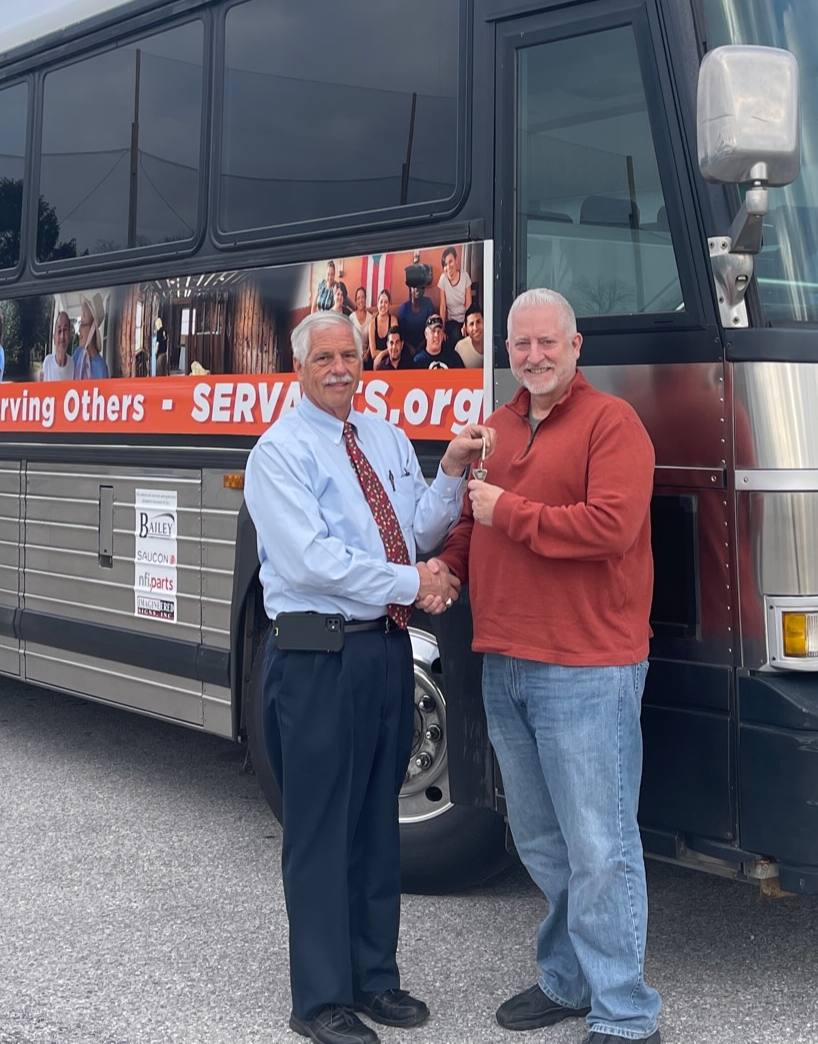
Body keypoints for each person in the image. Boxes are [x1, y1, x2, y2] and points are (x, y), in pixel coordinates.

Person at [245, 310, 485, 1044]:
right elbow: (309, 561)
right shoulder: (277, 454)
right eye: (324, 357)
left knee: (377, 824)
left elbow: (413, 526)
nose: (340, 367)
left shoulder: (379, 437)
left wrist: (445, 476)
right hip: (316, 656)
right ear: (300, 367)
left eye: (349, 354)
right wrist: (415, 581)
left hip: (383, 652)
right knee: (319, 830)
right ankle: (319, 1000)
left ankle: (374, 978)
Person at [438, 289, 662, 1044]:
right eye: (520, 344)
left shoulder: (612, 423)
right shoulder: (494, 430)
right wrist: (442, 571)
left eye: (546, 343)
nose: (532, 356)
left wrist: (511, 513)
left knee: (600, 844)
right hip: (505, 662)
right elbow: (474, 524)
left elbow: (610, 527)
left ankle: (626, 1012)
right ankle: (567, 980)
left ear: (575, 347)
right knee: (541, 840)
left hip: (587, 668)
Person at [434, 246, 471, 347]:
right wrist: (442, 328)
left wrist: (466, 324)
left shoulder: (465, 276)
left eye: (450, 262)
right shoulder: (443, 279)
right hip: (452, 321)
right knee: (455, 335)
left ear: (456, 261)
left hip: (465, 319)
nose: (448, 267)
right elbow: (442, 306)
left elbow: (469, 305)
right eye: (445, 264)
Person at [41, 309, 76, 381]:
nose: (62, 336)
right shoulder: (47, 363)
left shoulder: (73, 365)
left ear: (69, 336)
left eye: (65, 330)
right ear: (54, 338)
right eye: (59, 331)